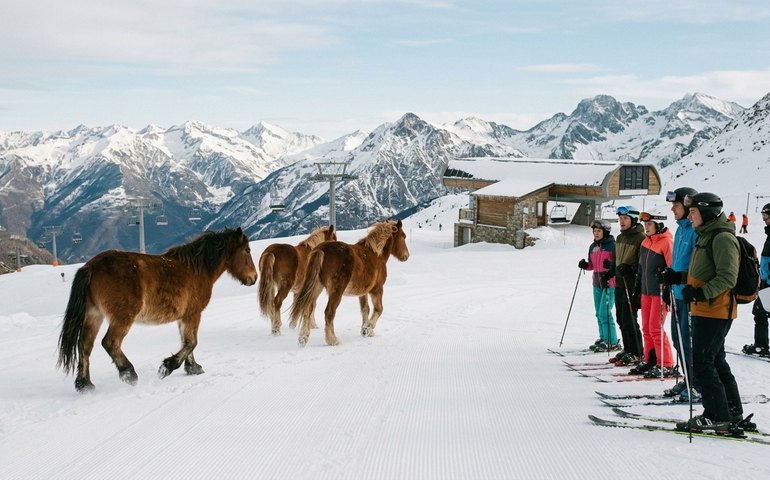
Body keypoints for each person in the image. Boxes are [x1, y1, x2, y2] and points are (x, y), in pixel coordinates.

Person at [661, 192, 744, 433]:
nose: (691, 216)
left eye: (694, 212)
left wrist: (700, 293)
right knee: (715, 360)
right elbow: (703, 273)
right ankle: (731, 410)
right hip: (706, 308)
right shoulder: (704, 236)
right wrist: (680, 277)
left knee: (702, 362)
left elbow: (728, 277)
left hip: (715, 310)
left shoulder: (721, 238)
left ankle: (717, 415)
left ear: (706, 213)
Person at [657, 187, 701, 401]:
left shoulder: (695, 230)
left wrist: (680, 278)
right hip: (677, 294)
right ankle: (689, 378)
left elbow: (697, 266)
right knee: (678, 339)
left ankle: (697, 384)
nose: (672, 210)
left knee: (688, 340)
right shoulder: (681, 230)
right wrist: (669, 278)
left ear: (686, 206)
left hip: (690, 295)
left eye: (676, 206)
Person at [630, 211, 675, 377]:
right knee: (646, 328)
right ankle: (650, 360)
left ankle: (666, 364)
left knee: (656, 328)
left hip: (659, 292)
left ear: (659, 225)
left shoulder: (666, 242)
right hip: (646, 292)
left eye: (649, 224)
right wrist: (636, 291)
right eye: (645, 225)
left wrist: (668, 290)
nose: (646, 227)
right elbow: (641, 270)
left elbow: (672, 268)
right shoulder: (645, 242)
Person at [604, 206, 645, 366]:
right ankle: (628, 349)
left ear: (633, 220)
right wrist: (611, 271)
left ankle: (637, 352)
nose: (621, 221)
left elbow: (642, 264)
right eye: (620, 218)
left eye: (625, 218)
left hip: (631, 285)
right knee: (620, 318)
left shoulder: (640, 238)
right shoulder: (620, 238)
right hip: (620, 284)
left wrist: (631, 270)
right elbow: (617, 259)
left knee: (629, 319)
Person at [578, 219, 620, 352]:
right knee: (598, 313)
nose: (596, 233)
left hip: (610, 283)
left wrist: (611, 267)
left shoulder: (613, 246)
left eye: (598, 231)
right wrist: (586, 265)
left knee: (604, 313)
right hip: (597, 283)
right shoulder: (593, 247)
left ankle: (612, 341)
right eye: (594, 231)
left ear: (605, 232)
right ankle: (603, 338)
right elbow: (592, 265)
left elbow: (617, 264)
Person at [743, 203, 770, 356]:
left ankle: (761, 346)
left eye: (766, 216)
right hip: (766, 282)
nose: (764, 220)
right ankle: (761, 345)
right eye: (763, 216)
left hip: (769, 283)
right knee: (761, 311)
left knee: (760, 312)